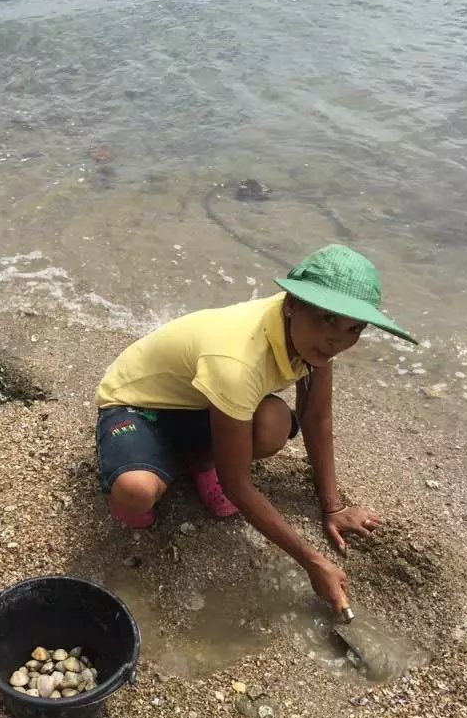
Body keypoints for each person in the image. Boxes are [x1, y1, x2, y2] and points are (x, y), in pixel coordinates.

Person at [95, 244, 417, 613]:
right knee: (135, 492)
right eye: (328, 319)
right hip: (138, 404)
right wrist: (311, 561)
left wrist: (333, 508)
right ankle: (167, 462)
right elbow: (237, 483)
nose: (338, 340)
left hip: (200, 402)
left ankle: (194, 461)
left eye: (354, 328)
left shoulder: (311, 341)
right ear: (292, 303)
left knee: (273, 425)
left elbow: (315, 418)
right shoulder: (238, 359)